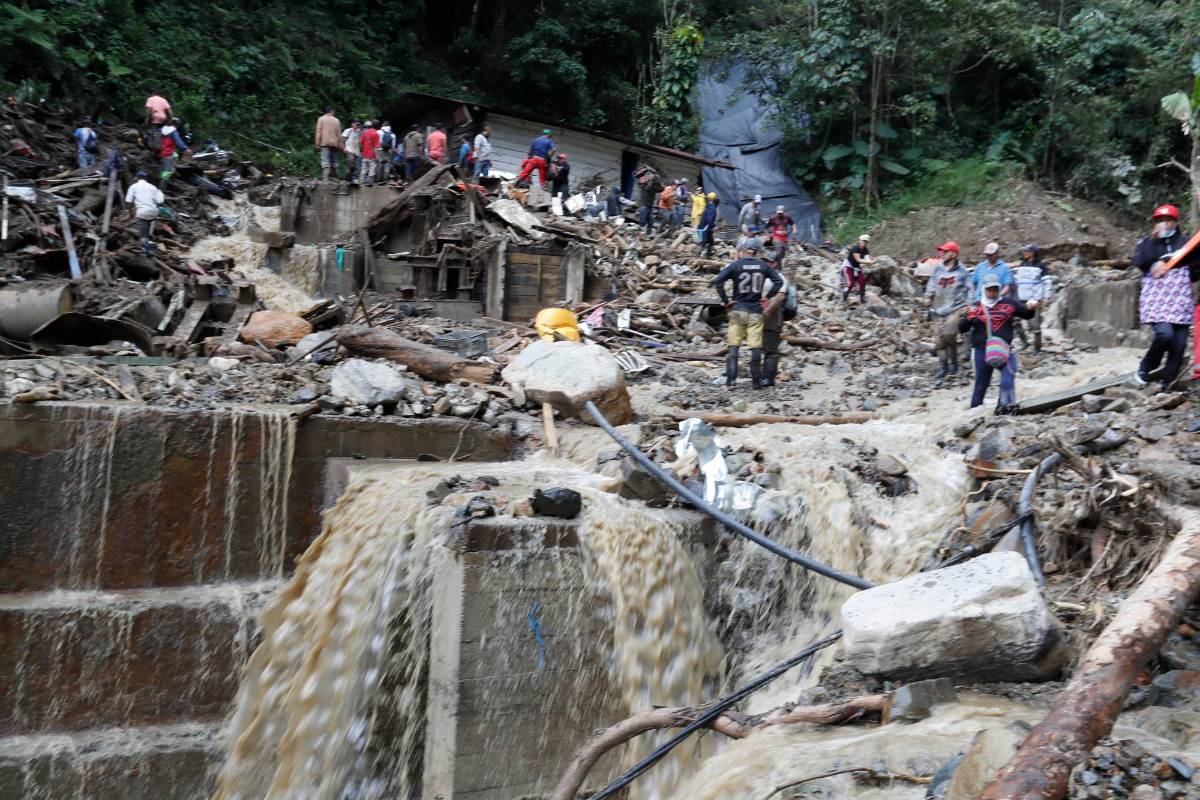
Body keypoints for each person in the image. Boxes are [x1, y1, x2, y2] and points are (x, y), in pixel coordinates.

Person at [1133, 203, 1200, 393]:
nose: (1164, 224)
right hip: (1157, 301)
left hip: (1181, 301)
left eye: (1167, 220)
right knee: (1165, 335)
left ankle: (1166, 387)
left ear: (1175, 222)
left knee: (1178, 346)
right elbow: (1139, 262)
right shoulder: (1147, 243)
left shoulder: (1187, 243)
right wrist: (1153, 244)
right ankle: (1146, 367)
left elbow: (1195, 271)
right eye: (1160, 220)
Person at [960, 278, 1038, 413]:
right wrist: (968, 318)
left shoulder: (1009, 304)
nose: (993, 292)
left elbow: (1026, 314)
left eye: (995, 289)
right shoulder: (975, 307)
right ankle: (972, 415)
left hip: (1004, 349)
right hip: (981, 351)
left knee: (1008, 377)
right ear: (984, 290)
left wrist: (1031, 307)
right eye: (989, 289)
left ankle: (1004, 408)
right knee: (981, 385)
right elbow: (962, 328)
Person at [713, 239, 783, 388]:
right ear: (757, 251)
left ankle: (731, 381)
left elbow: (718, 281)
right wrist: (767, 297)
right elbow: (778, 282)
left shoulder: (735, 265)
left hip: (738, 309)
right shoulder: (763, 266)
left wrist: (726, 301)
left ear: (744, 249)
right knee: (755, 347)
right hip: (756, 312)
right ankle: (756, 383)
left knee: (734, 346)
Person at [924, 241, 970, 378]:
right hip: (938, 309)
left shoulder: (962, 271)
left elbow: (970, 289)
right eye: (941, 251)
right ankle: (943, 367)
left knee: (948, 336)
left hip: (954, 309)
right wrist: (928, 297)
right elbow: (931, 284)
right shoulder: (938, 269)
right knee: (939, 341)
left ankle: (954, 365)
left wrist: (968, 305)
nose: (942, 254)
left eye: (945, 252)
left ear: (954, 254)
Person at [760, 248, 796, 386]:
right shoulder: (764, 276)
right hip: (763, 316)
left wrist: (767, 311)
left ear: (775, 263)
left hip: (773, 317)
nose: (765, 263)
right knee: (765, 346)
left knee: (771, 348)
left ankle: (769, 378)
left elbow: (780, 297)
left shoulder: (779, 278)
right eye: (764, 261)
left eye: (768, 261)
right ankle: (765, 376)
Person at [1012, 244, 1052, 351]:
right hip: (1021, 299)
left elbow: (1047, 282)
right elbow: (1016, 280)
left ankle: (1037, 349)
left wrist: (1047, 297)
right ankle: (1024, 342)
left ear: (1032, 253)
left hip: (1034, 299)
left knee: (1035, 326)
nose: (1024, 253)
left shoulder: (1041, 266)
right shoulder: (1022, 265)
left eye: (1026, 251)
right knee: (1015, 321)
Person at [124, 170, 164, 256]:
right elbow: (160, 200)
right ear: (146, 178)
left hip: (142, 211)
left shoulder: (133, 187)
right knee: (148, 230)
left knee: (143, 234)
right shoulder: (152, 187)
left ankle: (145, 252)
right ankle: (150, 245)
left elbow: (129, 201)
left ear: (137, 178)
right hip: (154, 211)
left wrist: (130, 213)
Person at [842, 234, 872, 303]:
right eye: (863, 241)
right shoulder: (855, 248)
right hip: (848, 266)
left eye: (866, 241)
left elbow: (867, 260)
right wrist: (868, 262)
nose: (865, 242)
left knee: (862, 282)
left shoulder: (865, 250)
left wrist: (870, 262)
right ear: (860, 241)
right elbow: (858, 260)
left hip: (856, 267)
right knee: (850, 283)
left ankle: (862, 298)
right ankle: (844, 296)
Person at [314, 107, 342, 181]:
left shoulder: (321, 119)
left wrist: (317, 143)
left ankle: (325, 180)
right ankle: (335, 178)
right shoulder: (336, 120)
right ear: (331, 111)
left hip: (325, 143)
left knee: (325, 161)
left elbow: (319, 132)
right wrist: (340, 145)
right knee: (334, 161)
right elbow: (339, 134)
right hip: (334, 144)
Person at [359, 121, 380, 185]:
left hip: (365, 154)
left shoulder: (365, 133)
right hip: (372, 156)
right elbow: (376, 147)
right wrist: (377, 157)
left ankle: (361, 183)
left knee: (363, 169)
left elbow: (360, 143)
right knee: (372, 169)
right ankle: (370, 183)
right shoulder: (376, 134)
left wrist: (362, 151)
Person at [699, 193, 719, 258]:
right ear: (717, 204)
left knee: (710, 241)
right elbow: (709, 219)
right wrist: (714, 226)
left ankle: (709, 254)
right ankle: (702, 255)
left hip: (705, 226)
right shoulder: (712, 208)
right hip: (705, 227)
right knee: (704, 241)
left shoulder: (709, 206)